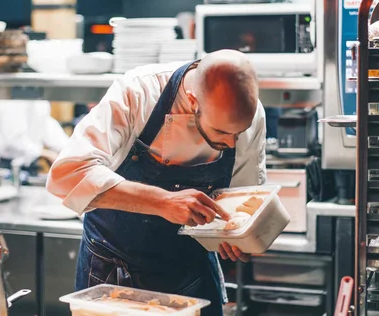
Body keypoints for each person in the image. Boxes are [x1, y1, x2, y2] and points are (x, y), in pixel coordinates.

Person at [47, 50, 266, 316]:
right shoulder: (139, 92)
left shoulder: (248, 115)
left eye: (238, 133)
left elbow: (243, 197)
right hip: (114, 271)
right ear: (193, 100)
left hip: (191, 270)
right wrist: (162, 202)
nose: (231, 144)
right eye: (221, 132)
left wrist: (235, 235)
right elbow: (67, 174)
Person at [0, 100, 69, 177]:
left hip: (29, 167)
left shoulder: (41, 100)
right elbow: (14, 138)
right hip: (3, 168)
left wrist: (69, 151)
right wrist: (45, 153)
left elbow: (49, 129)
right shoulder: (12, 98)